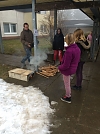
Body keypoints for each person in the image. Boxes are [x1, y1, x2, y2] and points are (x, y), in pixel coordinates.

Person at [58, 33, 81, 103]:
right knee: (68, 82)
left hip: (67, 70)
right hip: (73, 68)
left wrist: (59, 67)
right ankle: (68, 95)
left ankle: (68, 97)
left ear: (68, 40)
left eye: (66, 40)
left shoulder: (69, 51)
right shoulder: (77, 48)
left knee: (67, 84)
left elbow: (66, 65)